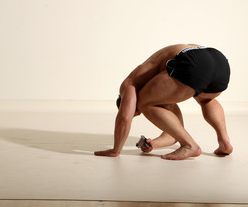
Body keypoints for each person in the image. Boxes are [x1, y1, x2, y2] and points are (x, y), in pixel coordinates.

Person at [94, 44, 233, 160]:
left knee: (146, 103)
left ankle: (190, 145)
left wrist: (115, 150)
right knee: (206, 99)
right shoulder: (162, 86)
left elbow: (124, 118)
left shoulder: (129, 84)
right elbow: (173, 135)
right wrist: (152, 144)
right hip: (219, 62)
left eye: (136, 111)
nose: (140, 112)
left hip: (192, 60)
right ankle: (224, 142)